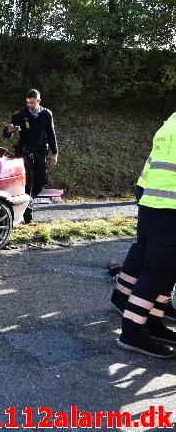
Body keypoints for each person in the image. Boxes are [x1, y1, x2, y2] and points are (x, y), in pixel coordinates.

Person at [114, 111, 176, 358]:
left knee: (166, 269)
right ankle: (132, 332)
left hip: (154, 202)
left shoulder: (170, 122)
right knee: (158, 270)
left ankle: (151, 321)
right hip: (169, 208)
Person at [2, 89, 59, 223]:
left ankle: (27, 202)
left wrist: (55, 153)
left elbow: (51, 134)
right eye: (27, 102)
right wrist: (8, 131)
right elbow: (7, 133)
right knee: (28, 184)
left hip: (40, 152)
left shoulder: (46, 114)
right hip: (25, 153)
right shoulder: (20, 114)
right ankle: (28, 217)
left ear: (39, 101)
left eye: (32, 102)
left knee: (42, 182)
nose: (29, 105)